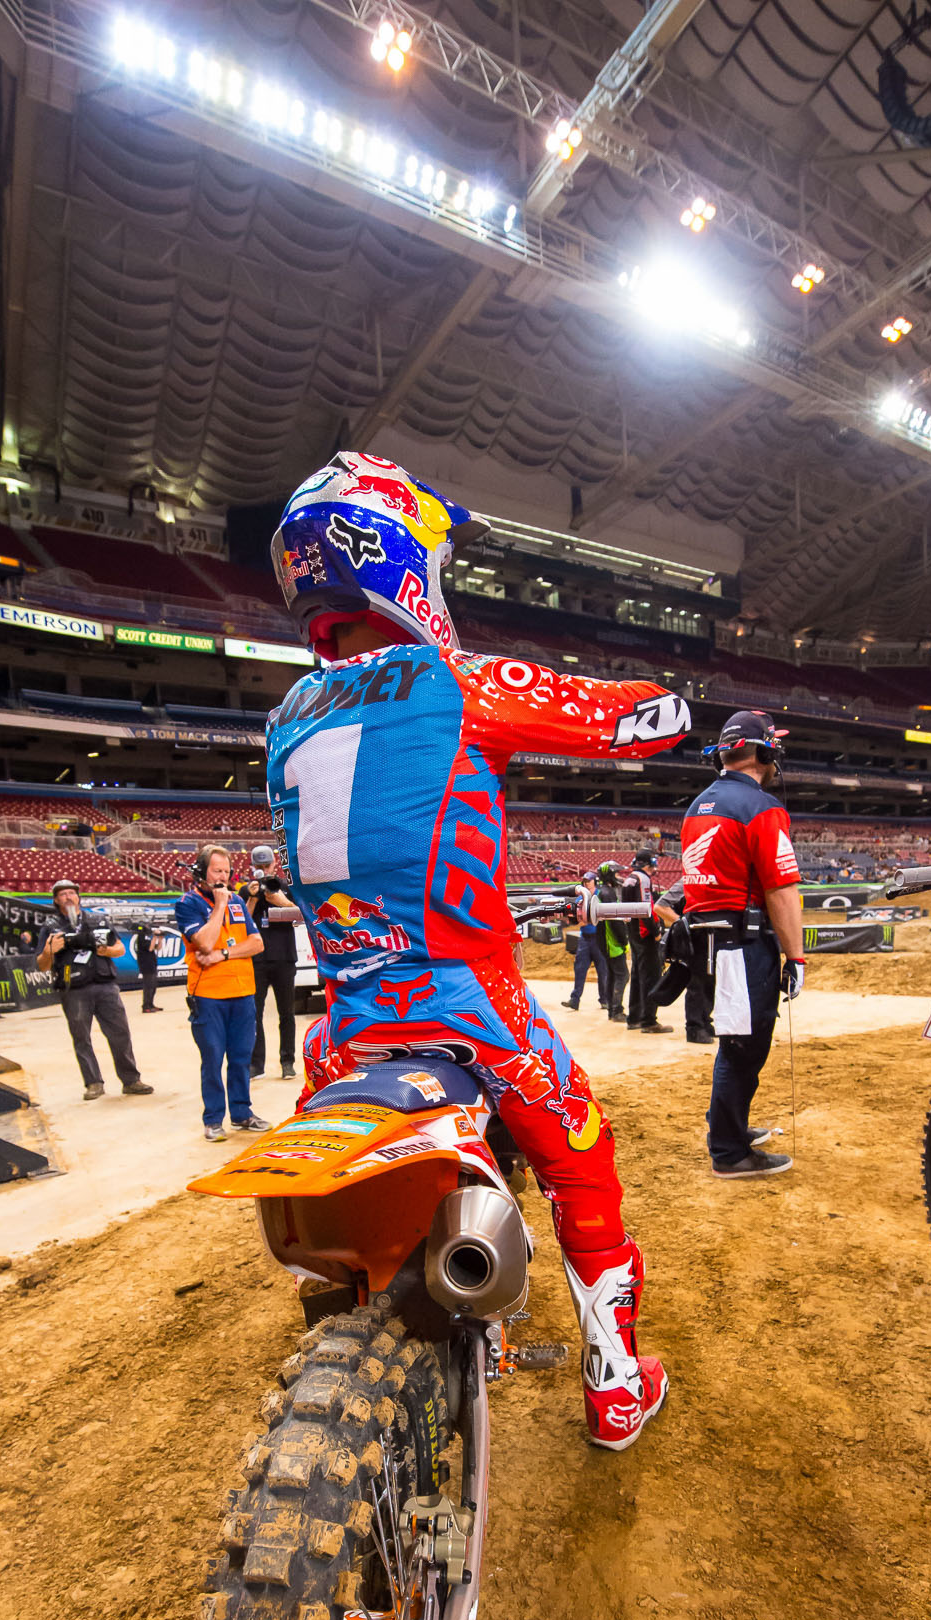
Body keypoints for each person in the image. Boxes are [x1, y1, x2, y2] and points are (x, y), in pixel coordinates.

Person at [267, 448, 691, 1449]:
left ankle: (363, 1301)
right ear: (400, 558)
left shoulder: (282, 718)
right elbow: (644, 719)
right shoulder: (460, 679)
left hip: (344, 1029)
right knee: (584, 1159)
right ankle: (615, 1383)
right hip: (469, 1005)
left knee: (316, 1200)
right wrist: (663, 697)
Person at [677, 710, 805, 1178]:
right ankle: (728, 1151)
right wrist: (796, 955)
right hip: (746, 944)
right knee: (745, 1046)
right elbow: (781, 889)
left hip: (712, 942)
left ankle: (727, 1126)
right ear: (765, 751)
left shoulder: (700, 805)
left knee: (734, 1041)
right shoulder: (762, 808)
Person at [173, 846, 269, 1141]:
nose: (223, 877)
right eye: (217, 871)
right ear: (201, 872)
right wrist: (218, 906)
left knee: (241, 1057)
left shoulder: (239, 902)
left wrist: (223, 955)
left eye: (227, 871)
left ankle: (242, 1113)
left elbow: (256, 944)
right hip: (207, 995)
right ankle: (213, 1119)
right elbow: (203, 942)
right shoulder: (187, 904)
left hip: (242, 991)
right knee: (213, 1058)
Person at [36, 881, 153, 1101]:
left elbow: (120, 949)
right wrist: (50, 951)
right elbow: (41, 964)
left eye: (72, 893)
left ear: (79, 897)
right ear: (55, 900)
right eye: (63, 894)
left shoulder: (97, 920)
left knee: (120, 1033)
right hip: (73, 989)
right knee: (82, 1038)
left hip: (105, 984)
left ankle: (130, 1080)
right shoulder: (50, 926)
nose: (68, 897)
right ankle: (93, 1083)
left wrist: (106, 950)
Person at [244, 843, 299, 1081]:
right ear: (252, 867)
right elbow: (240, 921)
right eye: (259, 866)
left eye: (266, 865)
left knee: (286, 1012)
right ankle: (257, 1064)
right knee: (254, 1014)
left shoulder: (284, 887)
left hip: (284, 957)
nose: (263, 870)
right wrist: (254, 899)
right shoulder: (246, 891)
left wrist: (280, 901)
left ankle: (288, 1061)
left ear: (274, 863)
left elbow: (301, 915)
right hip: (256, 960)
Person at [652, 882, 716, 1043]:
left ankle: (705, 1021)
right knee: (696, 982)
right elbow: (660, 907)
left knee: (709, 981)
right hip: (691, 940)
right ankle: (694, 1028)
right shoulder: (687, 881)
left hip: (710, 936)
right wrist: (683, 924)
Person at [624, 846, 670, 1034]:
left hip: (633, 933)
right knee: (650, 976)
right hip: (645, 934)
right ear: (650, 862)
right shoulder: (642, 879)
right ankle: (649, 1020)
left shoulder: (629, 878)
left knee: (637, 975)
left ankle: (634, 1017)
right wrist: (656, 931)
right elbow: (646, 907)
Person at [560, 869, 606, 1013]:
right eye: (584, 881)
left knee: (603, 971)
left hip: (599, 939)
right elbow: (578, 920)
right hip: (585, 939)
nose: (586, 883)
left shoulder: (601, 896)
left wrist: (584, 920)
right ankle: (575, 1000)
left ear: (595, 882)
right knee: (580, 969)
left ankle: (605, 1000)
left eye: (588, 881)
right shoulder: (581, 899)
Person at [591, 859, 630, 1020]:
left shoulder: (603, 891)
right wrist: (624, 939)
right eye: (616, 873)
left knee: (613, 975)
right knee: (622, 975)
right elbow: (615, 921)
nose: (618, 876)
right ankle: (617, 1010)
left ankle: (612, 1010)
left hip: (605, 941)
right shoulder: (608, 893)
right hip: (611, 942)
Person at [133, 921, 165, 1012]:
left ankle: (151, 1004)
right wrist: (155, 936)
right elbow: (150, 948)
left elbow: (157, 948)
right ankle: (146, 1006)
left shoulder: (147, 938)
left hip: (152, 964)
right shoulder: (140, 937)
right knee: (148, 986)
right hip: (145, 964)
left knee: (153, 986)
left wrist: (160, 939)